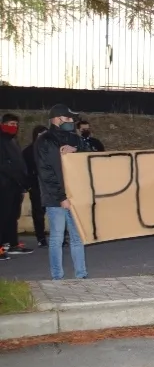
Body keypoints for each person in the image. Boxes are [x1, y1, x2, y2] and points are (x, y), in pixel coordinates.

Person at [35, 104, 87, 279]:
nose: (71, 121)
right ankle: (57, 277)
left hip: (75, 195)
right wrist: (61, 197)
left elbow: (92, 155)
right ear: (57, 119)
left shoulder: (75, 139)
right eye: (68, 118)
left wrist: (76, 150)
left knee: (77, 237)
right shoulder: (44, 141)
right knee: (57, 238)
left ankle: (81, 274)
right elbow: (46, 174)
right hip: (55, 198)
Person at [1, 113, 31, 258]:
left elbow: (18, 163)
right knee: (2, 215)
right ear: (3, 124)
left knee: (12, 216)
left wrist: (23, 181)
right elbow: (4, 165)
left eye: (16, 124)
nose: (14, 127)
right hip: (4, 185)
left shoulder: (13, 141)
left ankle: (12, 243)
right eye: (11, 124)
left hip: (15, 185)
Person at [22, 125, 48, 247]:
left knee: (56, 212)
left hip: (50, 185)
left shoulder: (51, 149)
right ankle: (41, 237)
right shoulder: (28, 151)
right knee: (38, 213)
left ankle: (60, 237)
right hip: (36, 185)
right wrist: (29, 186)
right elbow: (24, 170)